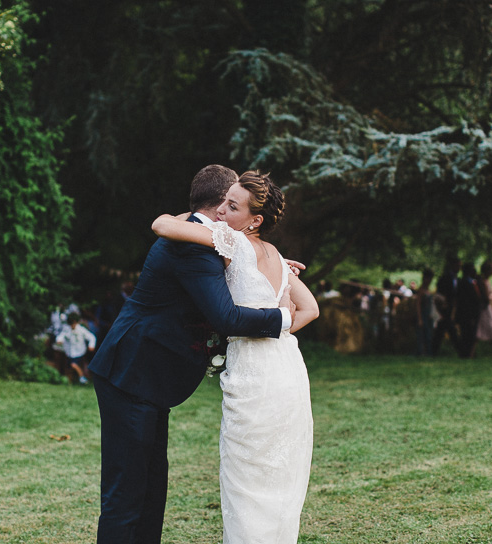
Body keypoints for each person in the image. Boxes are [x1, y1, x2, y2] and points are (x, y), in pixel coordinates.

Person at [87, 165, 295, 544]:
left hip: (150, 381)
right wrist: (282, 317)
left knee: (151, 493)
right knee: (127, 496)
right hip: (132, 374)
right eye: (228, 203)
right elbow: (225, 317)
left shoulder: (202, 235)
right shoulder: (194, 246)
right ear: (219, 206)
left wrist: (267, 268)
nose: (228, 212)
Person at [152, 170, 319, 544]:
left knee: (245, 479)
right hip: (288, 369)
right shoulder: (277, 257)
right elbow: (310, 309)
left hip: (254, 375)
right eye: (224, 202)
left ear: (254, 220)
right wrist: (278, 327)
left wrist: (193, 218)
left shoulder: (230, 240)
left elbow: (161, 225)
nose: (221, 212)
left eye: (232, 206)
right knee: (278, 474)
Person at [472, 261, 492, 358]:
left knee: (482, 332)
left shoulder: (485, 281)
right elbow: (485, 298)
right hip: (485, 310)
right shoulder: (482, 282)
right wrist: (491, 296)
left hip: (487, 309)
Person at [55, 312, 97, 384]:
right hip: (69, 352)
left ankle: (82, 378)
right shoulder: (67, 329)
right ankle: (70, 382)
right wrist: (59, 340)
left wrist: (91, 345)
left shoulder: (81, 330)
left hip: (79, 352)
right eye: (71, 324)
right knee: (69, 368)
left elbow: (92, 337)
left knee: (73, 365)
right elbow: (61, 336)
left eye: (74, 323)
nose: (72, 325)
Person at [432, 255, 461, 356]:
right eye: (458, 265)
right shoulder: (445, 278)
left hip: (451, 308)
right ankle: (460, 351)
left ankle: (433, 351)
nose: (459, 268)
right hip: (445, 309)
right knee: (449, 331)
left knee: (442, 331)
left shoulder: (457, 279)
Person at [455, 262, 481, 358]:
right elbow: (466, 301)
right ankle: (466, 354)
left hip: (469, 314)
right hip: (467, 314)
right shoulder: (464, 283)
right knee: (467, 334)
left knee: (469, 334)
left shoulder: (471, 282)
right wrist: (471, 315)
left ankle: (469, 353)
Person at [414, 268, 436, 357]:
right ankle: (421, 352)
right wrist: (419, 318)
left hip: (428, 315)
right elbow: (418, 304)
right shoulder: (421, 290)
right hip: (422, 315)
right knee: (421, 334)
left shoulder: (428, 290)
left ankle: (428, 352)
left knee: (428, 334)